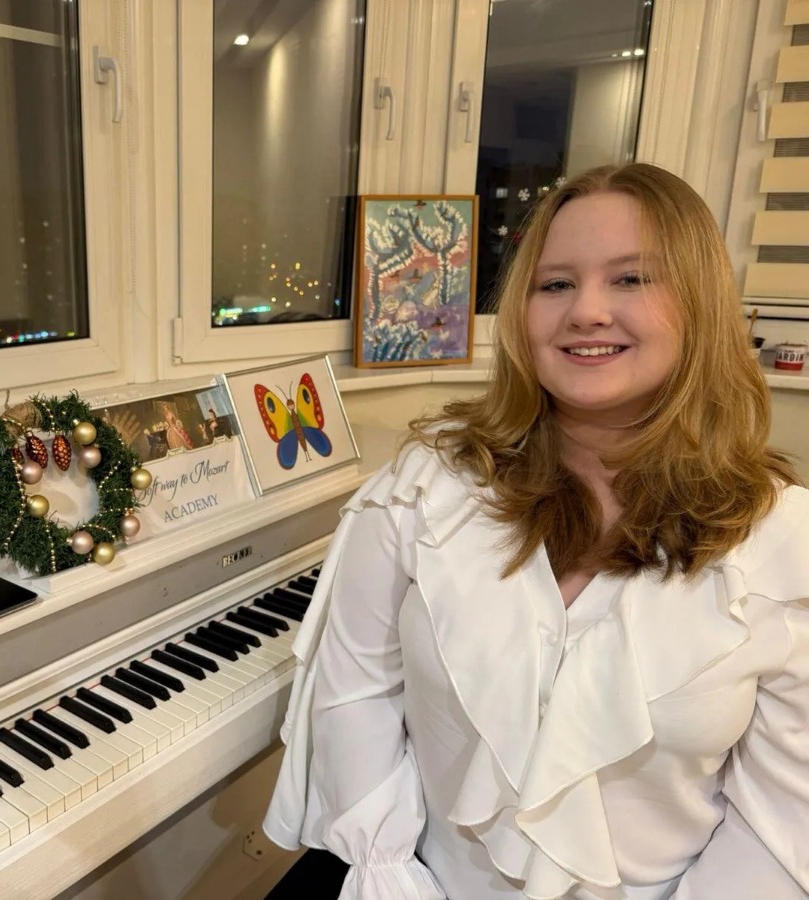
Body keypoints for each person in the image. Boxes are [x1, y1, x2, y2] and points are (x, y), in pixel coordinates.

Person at [263, 163, 809, 899]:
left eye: (630, 279)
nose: (586, 311)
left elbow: (780, 826)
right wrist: (388, 875)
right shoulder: (428, 484)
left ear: (700, 304)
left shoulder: (783, 543)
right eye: (555, 284)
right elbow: (356, 689)